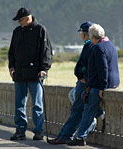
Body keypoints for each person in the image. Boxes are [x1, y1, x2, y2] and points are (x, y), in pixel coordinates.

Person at [48, 21, 103, 145]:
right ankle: (65, 135)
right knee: (78, 110)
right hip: (85, 83)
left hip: (84, 84)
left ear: (84, 34)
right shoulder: (92, 45)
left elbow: (88, 66)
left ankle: (65, 135)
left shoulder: (90, 46)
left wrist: (83, 76)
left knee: (77, 110)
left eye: (82, 33)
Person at [67, 24, 120, 146]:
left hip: (99, 84)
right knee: (88, 107)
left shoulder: (98, 48)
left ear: (92, 36)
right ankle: (84, 132)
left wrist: (102, 87)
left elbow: (103, 69)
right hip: (113, 82)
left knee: (88, 110)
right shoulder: (110, 45)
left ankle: (81, 137)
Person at [8, 7, 52, 140]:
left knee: (37, 104)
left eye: (20, 20)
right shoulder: (17, 31)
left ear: (28, 18)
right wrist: (11, 67)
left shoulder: (40, 30)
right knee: (19, 105)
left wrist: (44, 69)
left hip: (36, 74)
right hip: (19, 73)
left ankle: (38, 131)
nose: (18, 23)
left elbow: (46, 52)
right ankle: (20, 130)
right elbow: (11, 51)